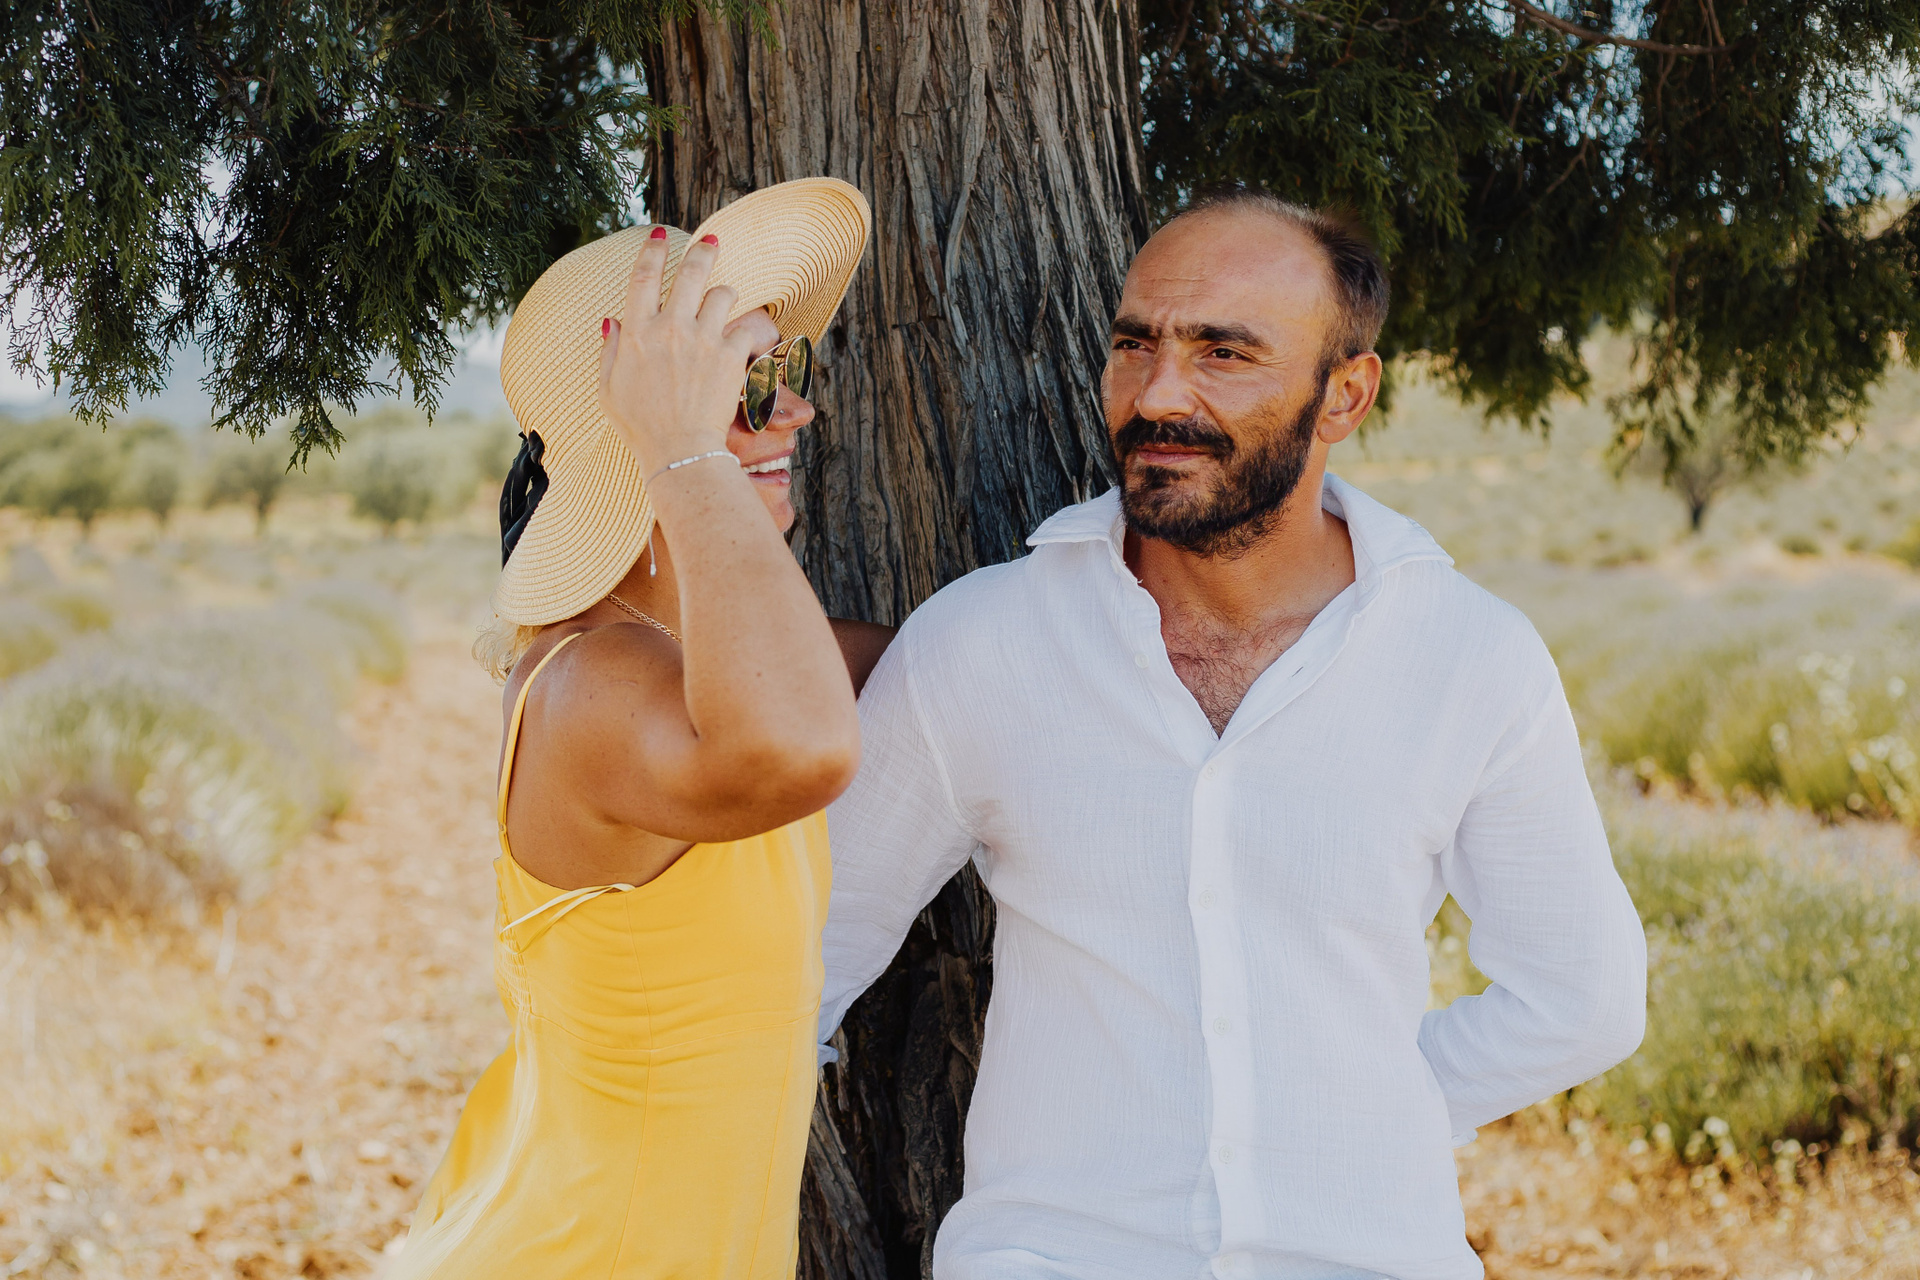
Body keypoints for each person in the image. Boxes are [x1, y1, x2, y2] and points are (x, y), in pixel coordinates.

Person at [818, 189, 1648, 1279]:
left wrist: (1358, 1110)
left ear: (1344, 395)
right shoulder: (982, 643)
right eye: (1136, 344)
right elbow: (798, 962)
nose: (1159, 393)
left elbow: (1581, 996)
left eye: (1225, 352)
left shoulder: (1469, 657)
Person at [391, 178, 892, 1280]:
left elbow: (892, 666)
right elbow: (806, 744)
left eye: (783, 372)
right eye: (739, 386)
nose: (792, 414)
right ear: (637, 418)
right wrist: (682, 450)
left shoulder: (675, 667)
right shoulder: (592, 683)